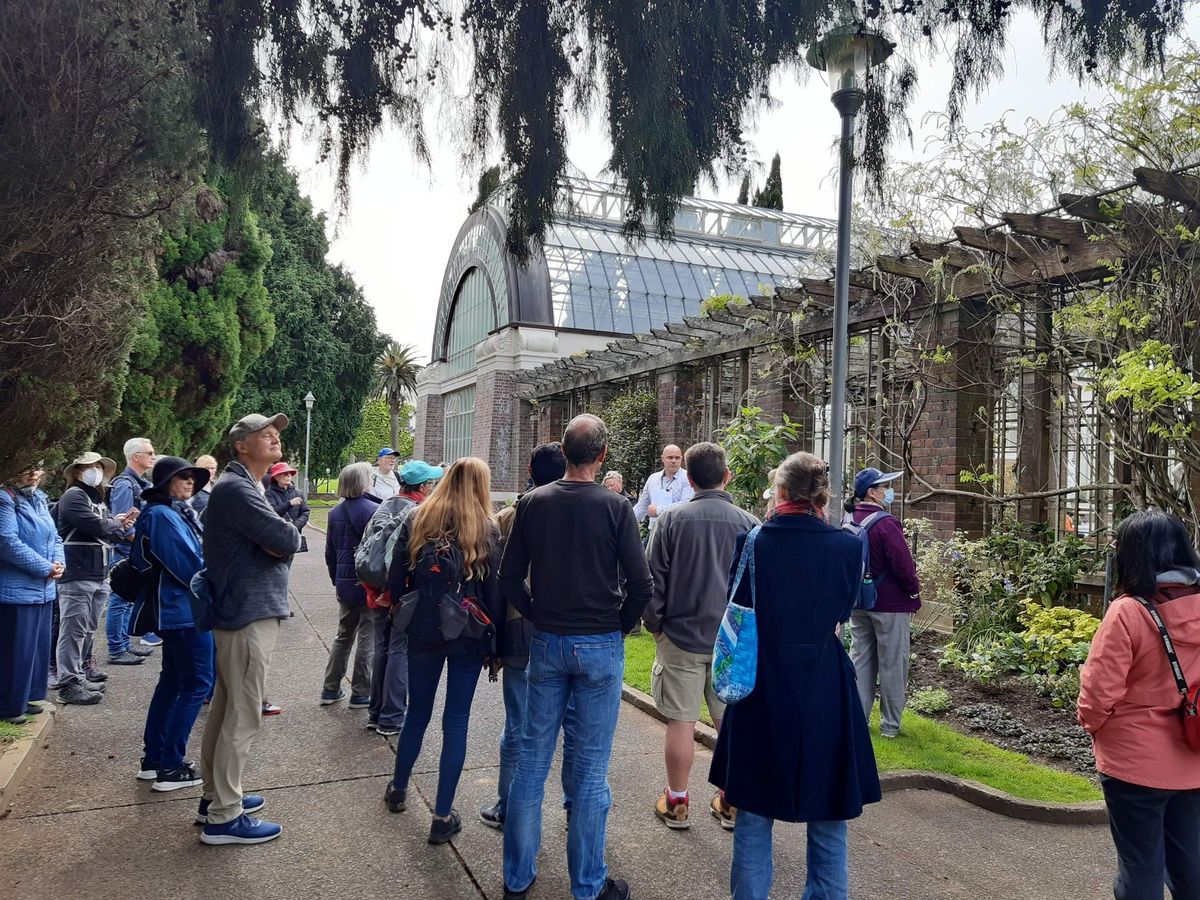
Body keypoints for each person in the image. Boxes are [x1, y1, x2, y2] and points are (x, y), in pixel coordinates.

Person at [710, 452, 882, 900]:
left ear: (781, 492)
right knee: (829, 815)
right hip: (825, 683)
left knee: (752, 812)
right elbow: (847, 609)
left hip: (762, 684)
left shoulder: (754, 542)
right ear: (819, 495)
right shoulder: (849, 546)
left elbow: (738, 606)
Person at [500, 414, 653, 900]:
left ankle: (517, 878)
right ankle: (587, 883)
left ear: (563, 452)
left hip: (547, 642)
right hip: (599, 644)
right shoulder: (616, 507)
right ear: (602, 457)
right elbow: (642, 583)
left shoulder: (533, 503)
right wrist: (619, 626)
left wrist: (537, 613)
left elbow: (508, 579)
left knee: (531, 760)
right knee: (589, 769)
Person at [1078, 510, 1200, 899]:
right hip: (1195, 756)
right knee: (1191, 860)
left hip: (1134, 762)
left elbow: (1098, 692)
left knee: (1140, 864)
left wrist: (1093, 726)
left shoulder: (1128, 612)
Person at [383, 457, 503, 845]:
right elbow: (494, 593)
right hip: (467, 633)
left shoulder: (419, 518)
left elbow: (394, 577)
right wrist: (494, 642)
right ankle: (440, 814)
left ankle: (398, 788)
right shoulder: (485, 528)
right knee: (456, 721)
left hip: (422, 629)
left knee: (417, 712)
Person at [644, 441, 759, 830]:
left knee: (681, 721)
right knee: (731, 722)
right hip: (732, 639)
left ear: (689, 479)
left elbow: (651, 581)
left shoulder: (671, 520)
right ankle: (731, 800)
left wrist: (655, 625)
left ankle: (677, 801)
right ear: (726, 476)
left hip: (680, 636)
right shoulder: (751, 524)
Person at [199, 413, 301, 845]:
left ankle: (216, 798)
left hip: (242, 612)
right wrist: (279, 538)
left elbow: (281, 537)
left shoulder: (244, 486)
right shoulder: (238, 489)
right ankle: (224, 816)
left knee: (226, 711)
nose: (275, 437)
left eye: (276, 432)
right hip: (246, 613)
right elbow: (290, 537)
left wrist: (277, 538)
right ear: (241, 445)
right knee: (242, 716)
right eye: (265, 433)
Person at [480, 442, 576, 830]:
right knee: (574, 725)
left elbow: (497, 585)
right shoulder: (586, 509)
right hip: (571, 627)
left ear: (530, 472)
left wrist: (495, 640)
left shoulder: (508, 517)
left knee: (518, 724)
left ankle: (509, 806)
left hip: (521, 626)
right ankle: (575, 803)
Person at [129, 457, 214, 791]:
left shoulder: (167, 512)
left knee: (173, 683)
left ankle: (155, 760)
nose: (191, 482)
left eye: (193, 477)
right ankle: (170, 766)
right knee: (196, 684)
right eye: (183, 477)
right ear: (166, 483)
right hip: (181, 611)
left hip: (176, 610)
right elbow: (189, 566)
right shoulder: (163, 515)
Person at [366, 459, 443, 736]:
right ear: (422, 486)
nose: (433, 487)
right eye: (431, 483)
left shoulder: (383, 507)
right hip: (402, 595)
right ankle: (392, 716)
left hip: (375, 592)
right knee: (400, 650)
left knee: (381, 650)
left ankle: (375, 712)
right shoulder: (420, 513)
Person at [845, 467, 921, 738]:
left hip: (858, 603)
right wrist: (913, 593)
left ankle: (858, 720)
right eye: (883, 486)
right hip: (890, 604)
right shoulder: (886, 523)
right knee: (893, 665)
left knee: (861, 661)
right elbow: (903, 564)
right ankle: (890, 726)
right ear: (872, 492)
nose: (888, 491)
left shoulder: (849, 518)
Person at [55, 452, 129, 705]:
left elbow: (111, 531)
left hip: (98, 573)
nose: (95, 470)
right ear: (76, 472)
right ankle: (68, 683)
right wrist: (114, 525)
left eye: (98, 466)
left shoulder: (97, 498)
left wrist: (113, 525)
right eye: (88, 467)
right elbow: (98, 527)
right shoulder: (74, 496)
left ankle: (77, 674)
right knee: (73, 630)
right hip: (77, 573)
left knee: (86, 630)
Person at [0, 461, 63, 724]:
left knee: (36, 649)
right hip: (16, 589)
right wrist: (45, 567)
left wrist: (59, 564)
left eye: (38, 468)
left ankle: (30, 696)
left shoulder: (38, 497)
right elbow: (7, 542)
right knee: (16, 650)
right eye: (27, 468)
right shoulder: (5, 498)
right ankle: (9, 705)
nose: (34, 474)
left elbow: (55, 537)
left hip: (43, 588)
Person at [321, 462, 381, 708]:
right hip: (368, 583)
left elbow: (330, 553)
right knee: (368, 636)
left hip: (345, 584)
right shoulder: (375, 510)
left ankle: (330, 687)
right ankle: (360, 691)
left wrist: (337, 580)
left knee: (343, 635)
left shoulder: (334, 513)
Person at [106, 437, 159, 663]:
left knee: (129, 599)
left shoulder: (141, 484)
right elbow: (123, 525)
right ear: (135, 457)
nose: (153, 456)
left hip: (135, 551)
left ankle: (124, 644)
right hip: (125, 551)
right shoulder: (125, 484)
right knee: (119, 599)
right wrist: (145, 542)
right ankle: (117, 649)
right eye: (149, 452)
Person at [633, 444, 694, 537]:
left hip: (677, 534)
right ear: (662, 458)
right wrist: (625, 521)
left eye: (677, 458)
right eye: (670, 457)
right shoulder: (653, 479)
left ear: (682, 459)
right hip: (654, 532)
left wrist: (657, 510)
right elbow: (642, 506)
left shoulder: (687, 478)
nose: (674, 461)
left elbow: (686, 505)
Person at [265, 461, 311, 544]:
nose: (289, 476)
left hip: (294, 535)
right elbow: (271, 513)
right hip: (277, 535)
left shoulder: (298, 493)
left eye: (290, 473)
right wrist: (289, 504)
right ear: (277, 477)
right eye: (285, 474)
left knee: (292, 556)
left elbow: (305, 512)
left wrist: (296, 526)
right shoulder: (269, 494)